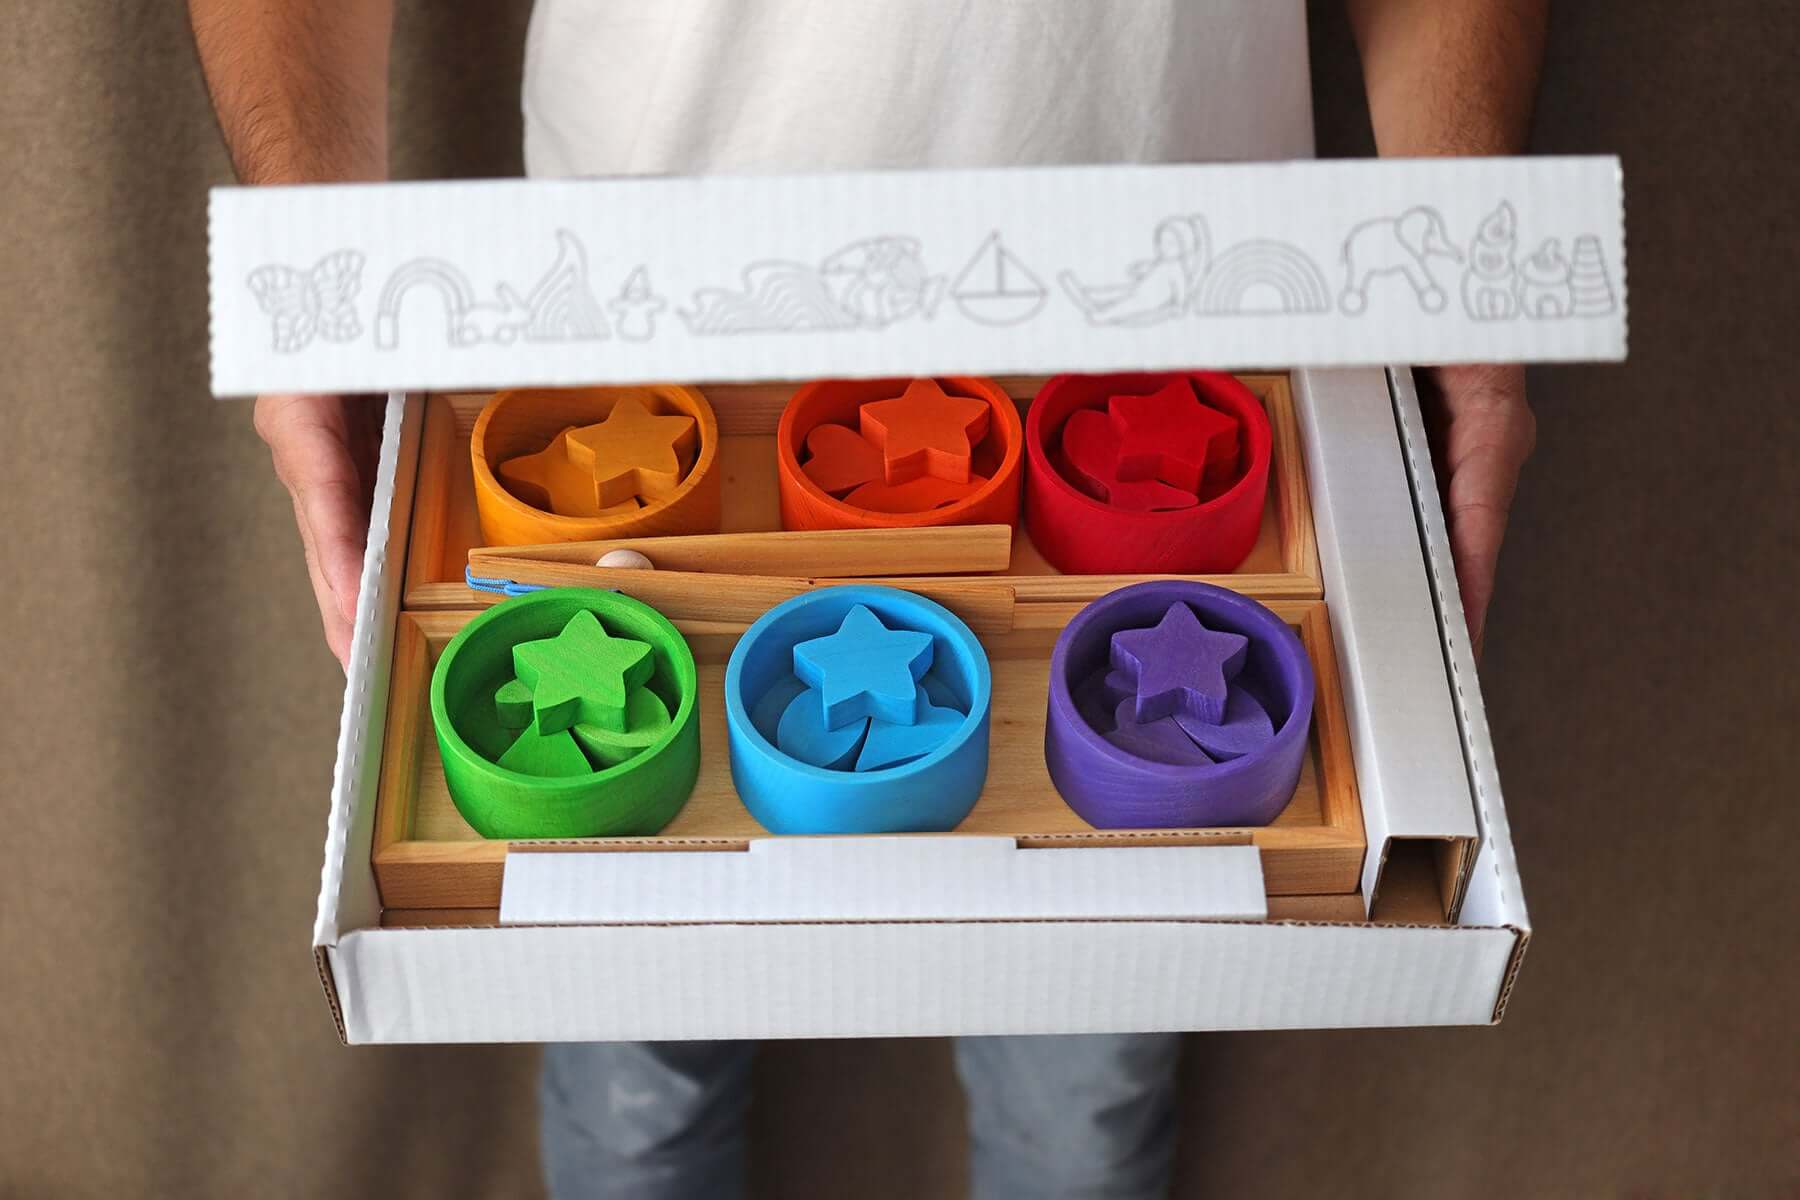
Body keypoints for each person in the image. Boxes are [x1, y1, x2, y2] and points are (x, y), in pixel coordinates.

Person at [190, 3, 1544, 1196]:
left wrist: (1462, 259)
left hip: (1185, 307)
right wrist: (312, 275)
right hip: (632, 302)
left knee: (1084, 1103)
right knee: (636, 1091)